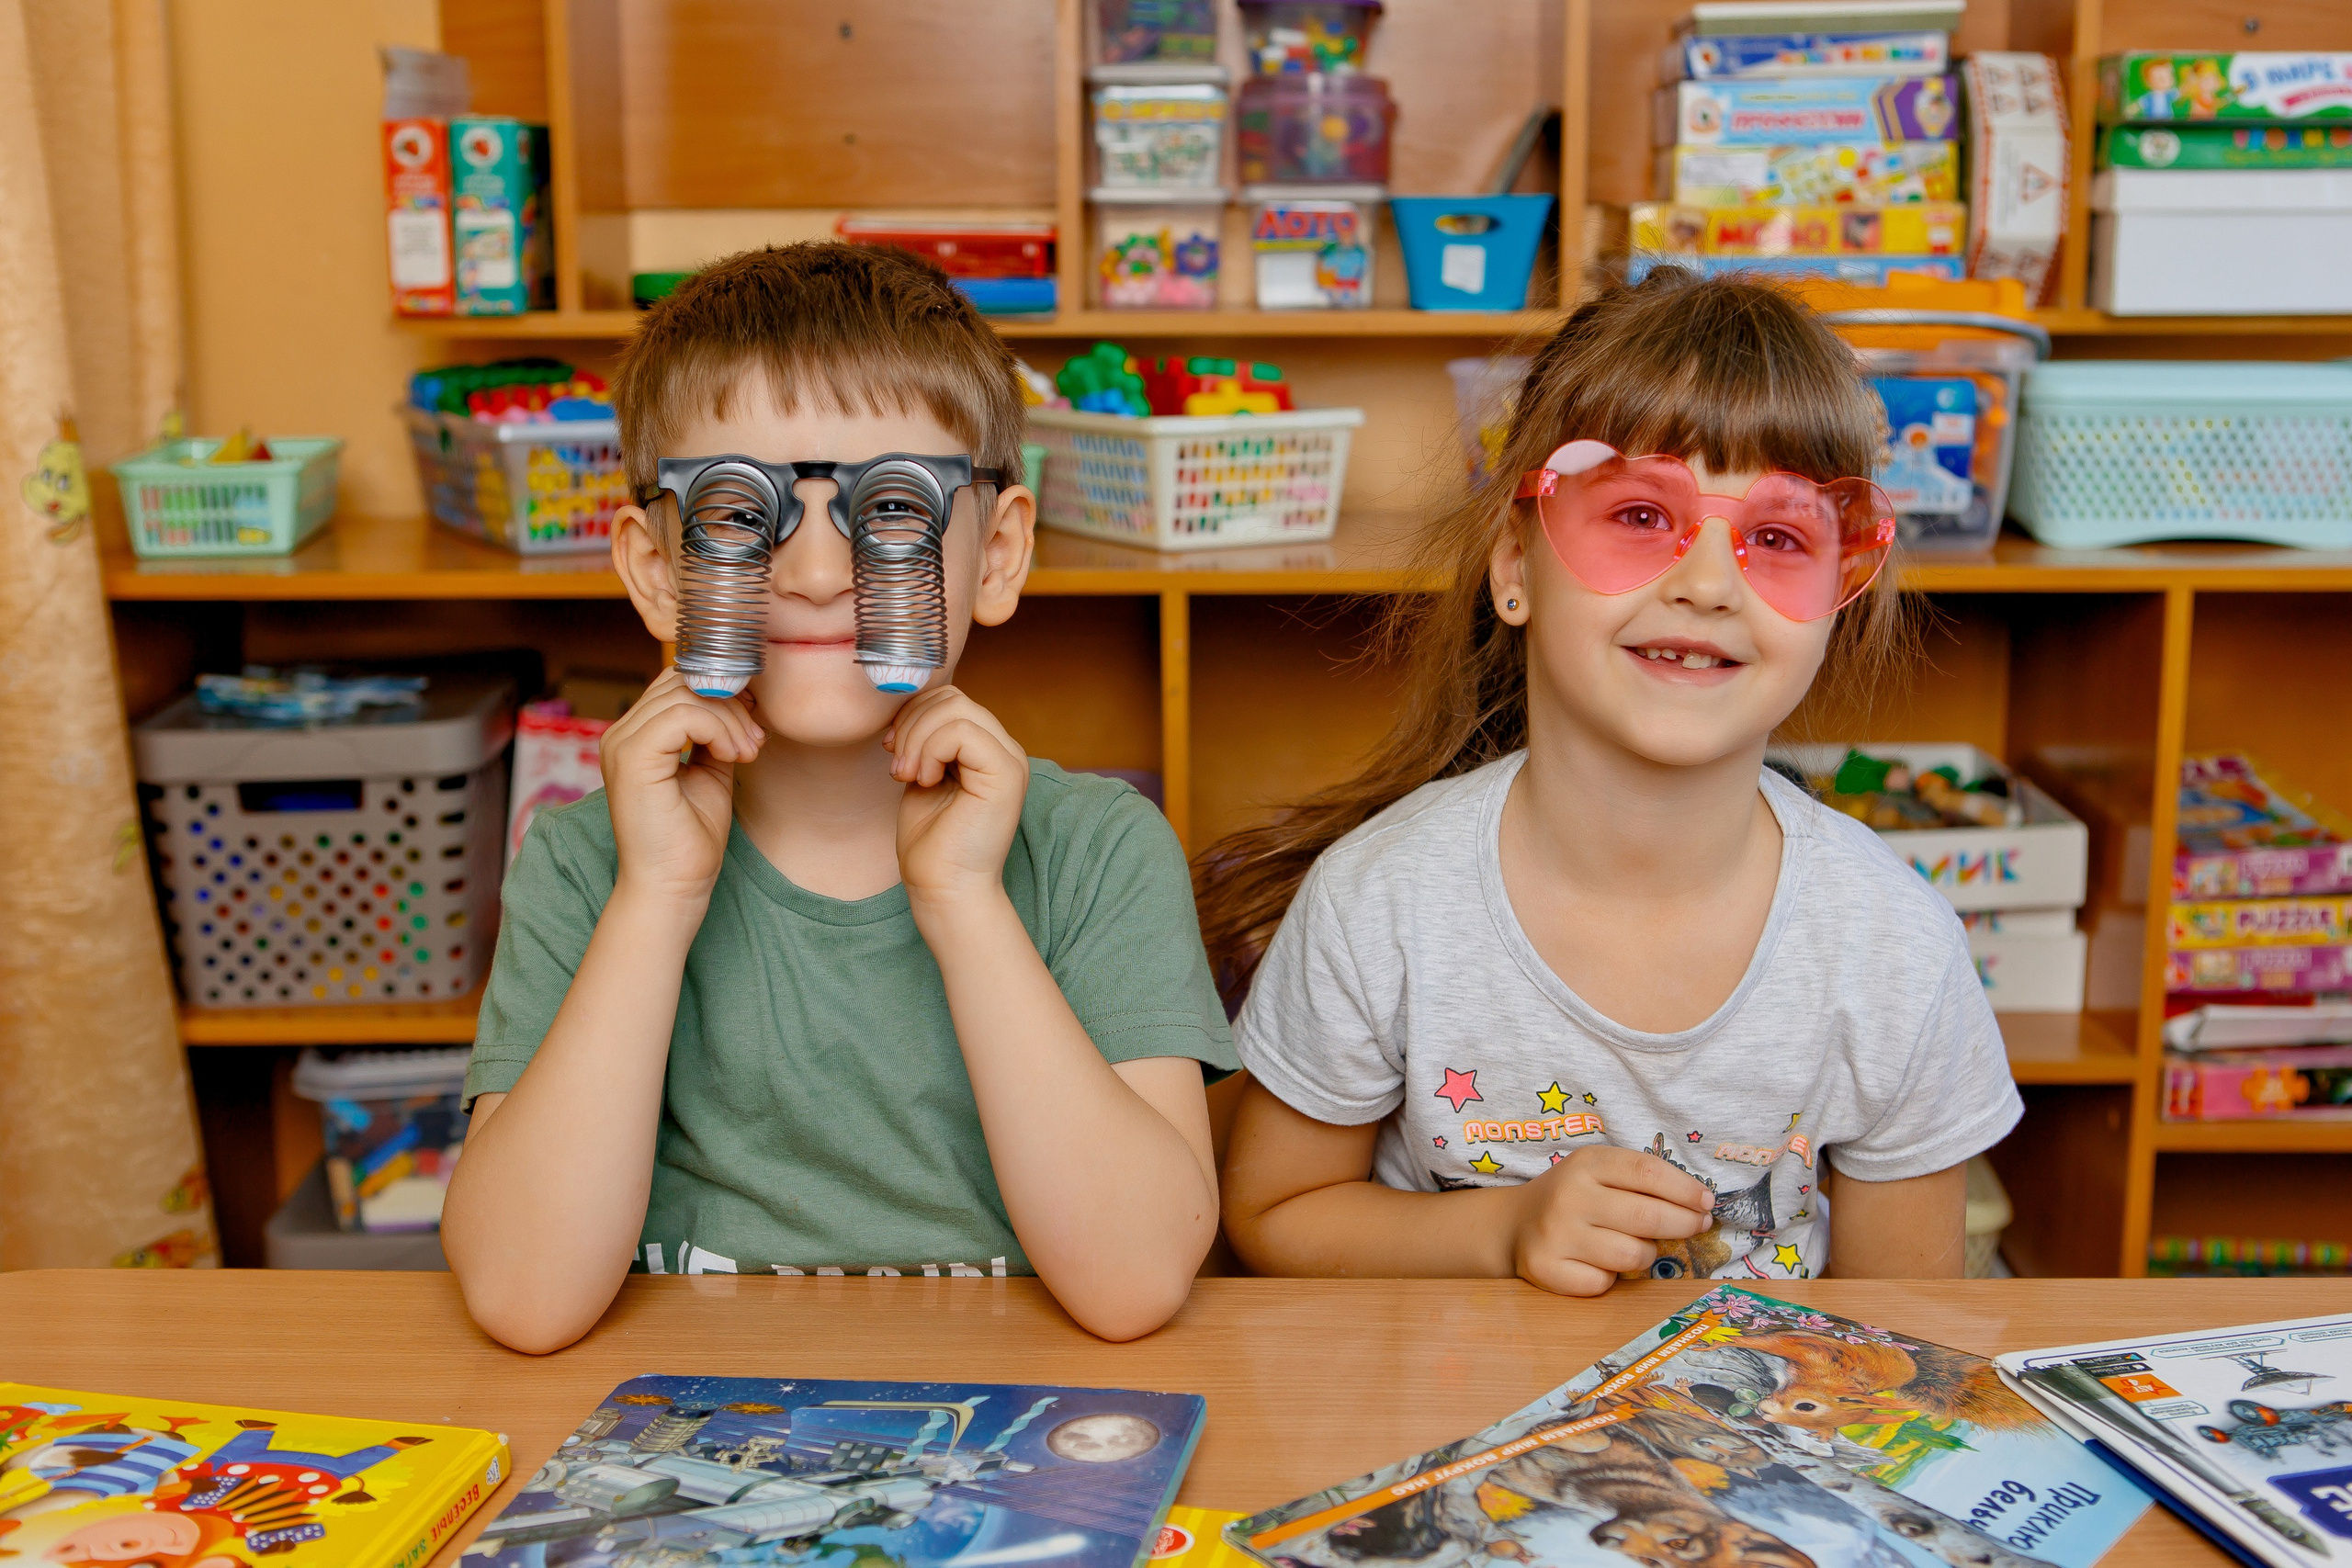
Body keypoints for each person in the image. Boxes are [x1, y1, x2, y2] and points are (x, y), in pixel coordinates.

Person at [442, 244, 1232, 1351]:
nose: (814, 573)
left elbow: (1136, 1281)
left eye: (891, 507)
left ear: (997, 554)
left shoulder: (1097, 851)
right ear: (655, 569)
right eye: (736, 514)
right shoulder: (589, 863)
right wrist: (656, 899)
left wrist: (965, 904)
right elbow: (525, 1300)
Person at [1205, 270, 2020, 1294]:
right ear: (1514, 563)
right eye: (1640, 514)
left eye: (1776, 538)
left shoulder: (1894, 950)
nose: (1709, 583)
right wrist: (1503, 1234)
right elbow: (1273, 1216)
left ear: (1835, 602)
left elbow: (1904, 1329)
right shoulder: (1381, 902)